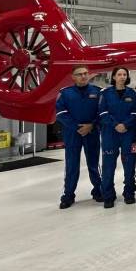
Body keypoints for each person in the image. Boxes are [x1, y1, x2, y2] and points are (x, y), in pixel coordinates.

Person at [55, 65, 102, 209]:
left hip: (92, 133)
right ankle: (68, 195)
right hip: (72, 134)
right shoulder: (65, 93)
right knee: (71, 165)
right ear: (73, 77)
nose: (83, 76)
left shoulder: (98, 92)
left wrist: (91, 125)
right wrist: (77, 127)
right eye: (80, 74)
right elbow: (61, 113)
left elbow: (102, 112)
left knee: (94, 164)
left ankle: (98, 190)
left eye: (85, 73)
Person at [97, 66, 136, 207]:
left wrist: (125, 125)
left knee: (130, 164)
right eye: (119, 74)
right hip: (110, 134)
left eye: (124, 74)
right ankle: (108, 196)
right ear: (114, 77)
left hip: (129, 134)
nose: (122, 77)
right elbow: (102, 113)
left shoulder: (132, 93)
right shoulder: (105, 93)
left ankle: (129, 193)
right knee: (108, 166)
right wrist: (115, 124)